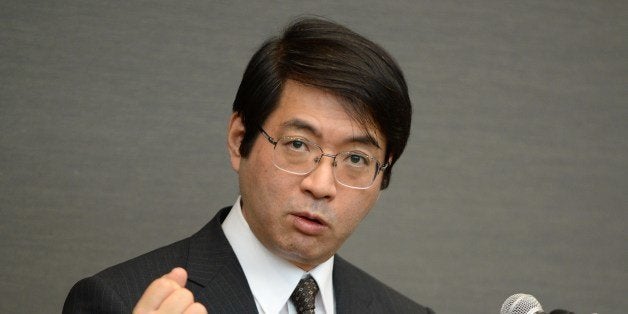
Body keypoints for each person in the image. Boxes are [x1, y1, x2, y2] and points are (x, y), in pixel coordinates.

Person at [63, 17, 434, 314]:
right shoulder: (115, 301)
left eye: (356, 159)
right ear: (240, 140)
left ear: (383, 174)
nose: (321, 185)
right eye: (298, 144)